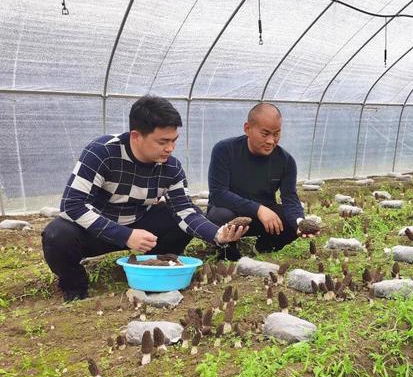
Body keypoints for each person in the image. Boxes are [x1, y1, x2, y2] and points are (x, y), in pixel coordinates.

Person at [42, 95, 247, 302]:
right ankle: (75, 287)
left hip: (141, 226)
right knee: (57, 235)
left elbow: (185, 210)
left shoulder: (171, 167)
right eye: (162, 141)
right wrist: (125, 235)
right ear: (136, 136)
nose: (170, 148)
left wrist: (217, 234)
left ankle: (159, 266)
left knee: (174, 217)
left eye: (174, 140)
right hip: (97, 229)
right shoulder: (102, 152)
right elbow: (72, 205)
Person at [206, 103, 308, 260]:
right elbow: (219, 194)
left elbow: (290, 198)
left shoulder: (285, 161)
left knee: (290, 220)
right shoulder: (225, 150)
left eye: (276, 134)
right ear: (247, 128)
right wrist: (258, 209)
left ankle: (261, 248)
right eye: (265, 134)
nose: (271, 141)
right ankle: (227, 251)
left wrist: (300, 222)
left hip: (263, 220)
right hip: (231, 214)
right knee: (220, 215)